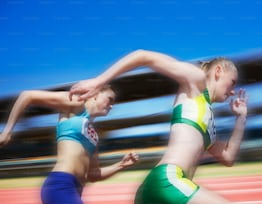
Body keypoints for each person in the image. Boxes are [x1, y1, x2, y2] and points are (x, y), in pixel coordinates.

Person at [69, 49, 248, 204]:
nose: (232, 90)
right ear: (218, 71)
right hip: (169, 181)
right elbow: (143, 55)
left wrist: (241, 118)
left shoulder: (208, 125)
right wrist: (99, 82)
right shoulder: (197, 81)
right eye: (232, 82)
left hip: (160, 189)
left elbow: (228, 157)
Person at [0, 85, 139, 204]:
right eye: (110, 100)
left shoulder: (94, 136)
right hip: (61, 184)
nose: (112, 105)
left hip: (76, 190)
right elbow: (27, 96)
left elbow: (93, 174)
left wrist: (122, 165)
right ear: (95, 95)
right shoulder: (76, 103)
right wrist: (7, 132)